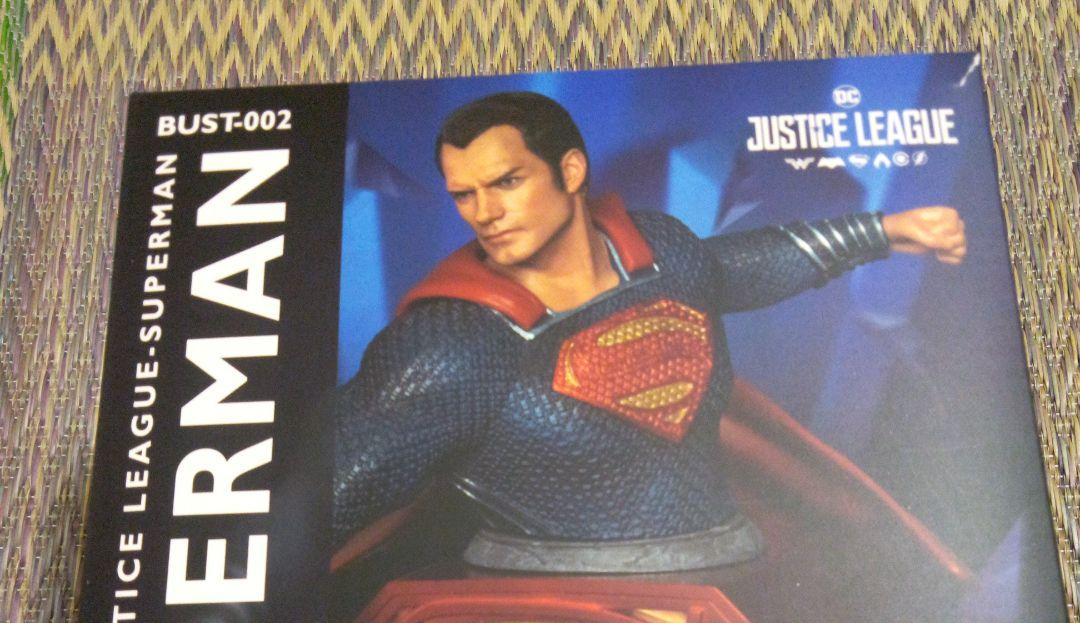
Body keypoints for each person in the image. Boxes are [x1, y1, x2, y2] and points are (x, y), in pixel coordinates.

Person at [333, 90, 966, 573]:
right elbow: (328, 493)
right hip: (554, 608)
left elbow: (736, 268)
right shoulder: (451, 341)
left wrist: (884, 231)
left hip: (727, 564)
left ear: (570, 171)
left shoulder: (660, 251)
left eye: (507, 182)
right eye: (464, 195)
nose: (485, 213)